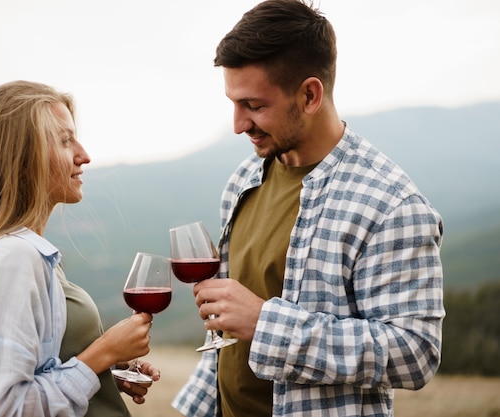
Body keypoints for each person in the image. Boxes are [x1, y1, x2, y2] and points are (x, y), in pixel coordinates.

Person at [172, 1, 445, 416]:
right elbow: (230, 330)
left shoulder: (391, 205)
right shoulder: (243, 180)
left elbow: (416, 353)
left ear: (310, 95)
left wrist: (267, 324)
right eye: (233, 102)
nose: (237, 124)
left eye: (254, 105)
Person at [0, 80, 159, 417]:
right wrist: (101, 354)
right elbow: (1, 409)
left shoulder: (30, 255)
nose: (84, 155)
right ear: (20, 160)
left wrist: (102, 372)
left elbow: (40, 368)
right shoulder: (12, 257)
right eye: (65, 140)